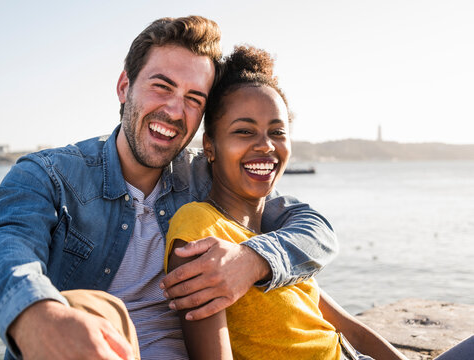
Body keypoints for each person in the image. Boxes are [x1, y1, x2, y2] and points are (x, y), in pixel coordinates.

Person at [0, 16, 337, 360]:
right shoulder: (50, 175)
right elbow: (3, 248)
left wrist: (253, 260)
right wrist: (37, 315)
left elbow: (313, 228)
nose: (175, 111)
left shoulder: (203, 176)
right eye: (162, 86)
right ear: (124, 87)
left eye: (194, 99)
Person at [164, 45, 408, 360]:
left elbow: (351, 331)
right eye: (244, 131)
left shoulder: (273, 236)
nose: (265, 145)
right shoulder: (198, 226)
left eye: (277, 132)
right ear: (210, 146)